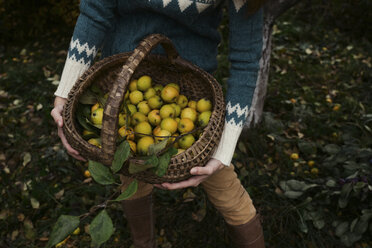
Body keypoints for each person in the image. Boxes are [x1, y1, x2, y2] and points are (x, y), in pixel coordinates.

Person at [51, 0, 266, 247]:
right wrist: (65, 94)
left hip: (190, 94)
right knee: (130, 168)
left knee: (223, 183)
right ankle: (144, 242)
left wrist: (224, 148)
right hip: (122, 83)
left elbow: (246, 59)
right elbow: (95, 11)